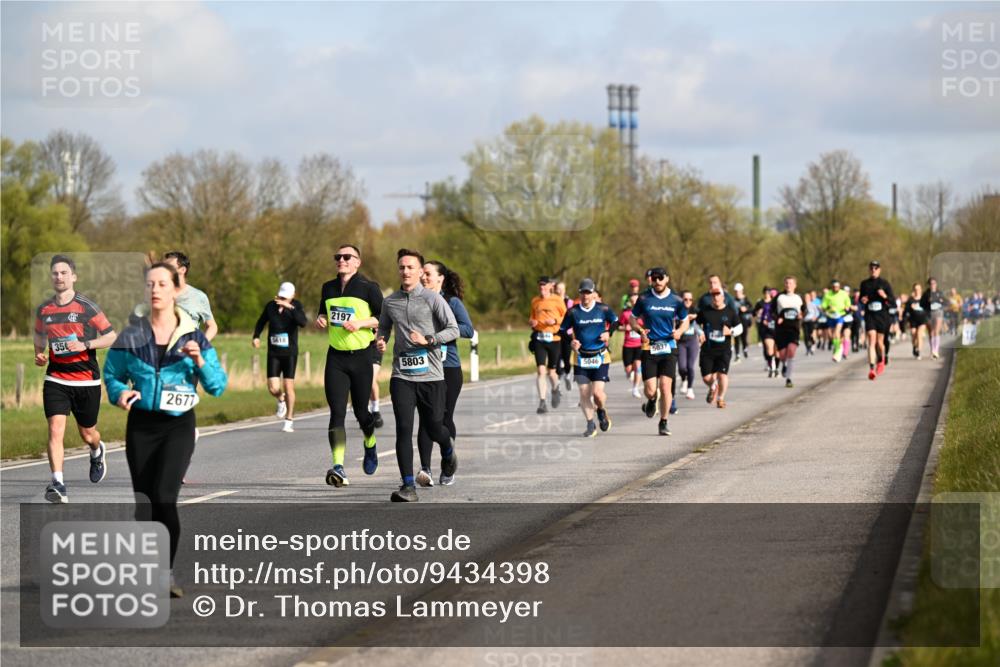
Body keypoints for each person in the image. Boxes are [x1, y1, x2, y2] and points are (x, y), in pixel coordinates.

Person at [104, 262, 227, 597]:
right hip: (141, 425)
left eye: (162, 283)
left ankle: (165, 573)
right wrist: (119, 393)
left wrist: (200, 360)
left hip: (178, 425)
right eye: (150, 284)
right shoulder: (131, 335)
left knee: (163, 497)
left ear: (175, 290)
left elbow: (217, 386)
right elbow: (112, 373)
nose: (155, 289)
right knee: (144, 504)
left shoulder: (194, 337)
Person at [376, 249, 459, 502]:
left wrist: (429, 339)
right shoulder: (390, 302)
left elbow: (453, 329)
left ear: (420, 271)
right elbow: (384, 328)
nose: (405, 271)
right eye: (401, 267)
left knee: (435, 427)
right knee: (403, 428)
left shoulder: (433, 299)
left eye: (410, 267)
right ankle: (408, 486)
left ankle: (447, 450)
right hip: (402, 375)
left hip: (432, 375)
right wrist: (380, 340)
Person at [34, 255, 117, 503]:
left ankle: (96, 449)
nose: (59, 277)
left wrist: (85, 344)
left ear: (73, 277)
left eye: (63, 273)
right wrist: (38, 355)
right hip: (56, 379)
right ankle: (58, 484)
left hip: (86, 380)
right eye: (55, 273)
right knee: (55, 430)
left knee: (87, 433)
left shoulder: (86, 307)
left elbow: (111, 336)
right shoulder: (44, 309)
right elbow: (39, 337)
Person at [315, 245, 381, 487]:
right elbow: (323, 312)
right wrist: (320, 319)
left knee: (362, 412)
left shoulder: (369, 288)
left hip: (362, 357)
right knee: (337, 413)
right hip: (337, 359)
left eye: (346, 257)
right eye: (338, 257)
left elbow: (382, 318)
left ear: (357, 263)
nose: (341, 260)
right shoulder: (328, 287)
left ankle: (370, 442)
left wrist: (361, 323)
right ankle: (339, 466)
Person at [415, 260, 473, 487]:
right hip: (423, 367)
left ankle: (448, 465)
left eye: (428, 274)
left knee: (443, 418)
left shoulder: (451, 302)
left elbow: (468, 329)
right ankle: (425, 469)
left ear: (441, 278)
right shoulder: (415, 300)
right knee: (425, 419)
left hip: (448, 368)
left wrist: (440, 333)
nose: (423, 278)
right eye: (423, 274)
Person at [630, 267, 688, 436]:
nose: (657, 281)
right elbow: (633, 319)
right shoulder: (644, 298)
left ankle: (663, 422)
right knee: (650, 390)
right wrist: (640, 330)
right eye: (654, 278)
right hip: (650, 346)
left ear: (667, 279)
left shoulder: (676, 300)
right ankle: (652, 400)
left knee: (665, 386)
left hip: (669, 346)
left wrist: (679, 332)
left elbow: (684, 320)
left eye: (660, 278)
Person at [559, 279, 618, 437]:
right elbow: (562, 330)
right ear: (579, 294)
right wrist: (571, 341)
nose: (585, 296)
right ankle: (590, 425)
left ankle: (601, 410)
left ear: (593, 294)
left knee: (598, 394)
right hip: (580, 358)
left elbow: (616, 321)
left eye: (588, 292)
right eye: (583, 293)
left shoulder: (603, 309)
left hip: (600, 356)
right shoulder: (573, 311)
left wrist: (608, 333)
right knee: (584, 393)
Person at [252, 282, 307, 432]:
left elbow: (303, 322)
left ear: (292, 296)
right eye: (281, 295)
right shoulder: (271, 306)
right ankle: (280, 399)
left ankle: (289, 420)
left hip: (290, 353)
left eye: (286, 297)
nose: (282, 298)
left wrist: (290, 307)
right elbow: (261, 322)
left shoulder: (296, 306)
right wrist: (256, 336)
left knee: (288, 386)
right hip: (274, 353)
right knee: (272, 388)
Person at [696, 290, 742, 408]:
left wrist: (731, 331)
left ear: (723, 297)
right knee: (706, 377)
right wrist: (700, 332)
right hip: (708, 349)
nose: (716, 298)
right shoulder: (705, 311)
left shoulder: (730, 312)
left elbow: (739, 328)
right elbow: (695, 324)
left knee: (722, 374)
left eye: (718, 295)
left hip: (724, 349)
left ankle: (721, 399)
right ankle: (713, 385)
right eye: (714, 296)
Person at [528, 277, 567, 414]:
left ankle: (556, 388)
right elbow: (531, 317)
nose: (542, 289)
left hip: (554, 339)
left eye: (544, 287)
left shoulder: (557, 300)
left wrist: (555, 320)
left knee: (552, 372)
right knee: (541, 371)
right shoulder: (535, 301)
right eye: (540, 287)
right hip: (539, 338)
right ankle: (542, 402)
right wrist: (532, 322)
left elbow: (566, 317)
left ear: (551, 286)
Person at [162, 251, 217, 341]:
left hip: (186, 351)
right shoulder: (157, 293)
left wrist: (201, 344)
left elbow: (212, 326)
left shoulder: (199, 297)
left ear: (183, 270)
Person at [858, 260, 896, 380]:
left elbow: (893, 301)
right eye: (871, 268)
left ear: (879, 270)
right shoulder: (864, 284)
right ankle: (871, 368)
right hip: (870, 315)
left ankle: (881, 359)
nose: (873, 270)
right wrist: (862, 300)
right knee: (871, 340)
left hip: (882, 316)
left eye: (875, 268)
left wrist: (884, 296)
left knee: (880, 343)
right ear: (869, 270)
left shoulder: (885, 283)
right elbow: (860, 299)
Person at [775, 276, 804, 388]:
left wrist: (801, 315)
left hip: (794, 328)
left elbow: (804, 311)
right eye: (787, 283)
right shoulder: (779, 297)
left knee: (791, 351)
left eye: (791, 283)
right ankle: (784, 364)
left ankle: (789, 378)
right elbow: (772, 311)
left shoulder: (798, 298)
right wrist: (777, 317)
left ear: (795, 285)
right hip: (781, 329)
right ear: (784, 284)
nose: (788, 285)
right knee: (782, 355)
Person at [619, 292, 645, 398]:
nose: (634, 302)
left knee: (638, 366)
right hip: (628, 345)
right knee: (629, 369)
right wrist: (626, 328)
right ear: (629, 302)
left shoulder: (643, 314)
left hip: (639, 344)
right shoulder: (625, 314)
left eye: (636, 300)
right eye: (632, 300)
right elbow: (618, 327)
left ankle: (635, 388)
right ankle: (630, 373)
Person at [677, 291, 701, 400]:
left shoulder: (694, 310)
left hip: (692, 341)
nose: (688, 301)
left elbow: (700, 322)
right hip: (681, 342)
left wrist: (702, 333)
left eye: (690, 299)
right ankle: (684, 380)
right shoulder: (677, 310)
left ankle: (690, 389)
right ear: (681, 300)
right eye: (685, 299)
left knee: (690, 367)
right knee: (682, 367)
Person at [820, 279, 851, 364]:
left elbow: (848, 302)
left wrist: (847, 307)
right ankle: (838, 346)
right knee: (831, 335)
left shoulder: (843, 293)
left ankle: (837, 351)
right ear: (832, 287)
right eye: (834, 286)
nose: (835, 288)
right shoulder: (828, 294)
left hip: (840, 316)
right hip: (830, 316)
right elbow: (823, 305)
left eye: (837, 286)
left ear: (839, 286)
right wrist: (825, 307)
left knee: (836, 333)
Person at [754, 287, 779, 376]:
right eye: (769, 293)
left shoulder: (779, 304)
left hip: (778, 330)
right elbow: (760, 315)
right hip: (767, 330)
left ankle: (776, 368)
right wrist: (762, 318)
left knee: (777, 352)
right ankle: (771, 366)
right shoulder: (764, 305)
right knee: (769, 349)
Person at [554, 281, 574, 390]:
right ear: (555, 289)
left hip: (567, 334)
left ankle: (567, 374)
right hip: (556, 333)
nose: (560, 291)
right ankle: (557, 381)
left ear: (565, 290)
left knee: (566, 358)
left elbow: (571, 316)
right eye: (558, 288)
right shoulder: (552, 302)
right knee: (557, 357)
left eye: (562, 288)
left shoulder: (569, 302)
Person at [905, 283, 929, 360]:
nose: (917, 291)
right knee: (913, 333)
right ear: (913, 290)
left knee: (919, 334)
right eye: (915, 289)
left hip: (922, 319)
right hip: (913, 320)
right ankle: (914, 346)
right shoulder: (910, 299)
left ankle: (918, 351)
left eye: (918, 289)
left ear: (921, 290)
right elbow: (906, 310)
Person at [732, 282, 753, 362]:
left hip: (744, 320)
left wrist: (746, 309)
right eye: (736, 291)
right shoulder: (733, 300)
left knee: (744, 337)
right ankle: (737, 354)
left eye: (738, 291)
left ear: (741, 291)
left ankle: (745, 348)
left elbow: (752, 309)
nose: (737, 293)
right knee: (736, 338)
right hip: (736, 320)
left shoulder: (746, 299)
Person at [802, 290, 820, 355]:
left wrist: (815, 317)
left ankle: (813, 344)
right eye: (805, 297)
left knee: (811, 334)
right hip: (804, 322)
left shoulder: (813, 305)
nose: (806, 298)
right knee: (806, 336)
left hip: (811, 321)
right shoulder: (802, 305)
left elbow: (817, 313)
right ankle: (807, 348)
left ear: (810, 298)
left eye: (807, 297)